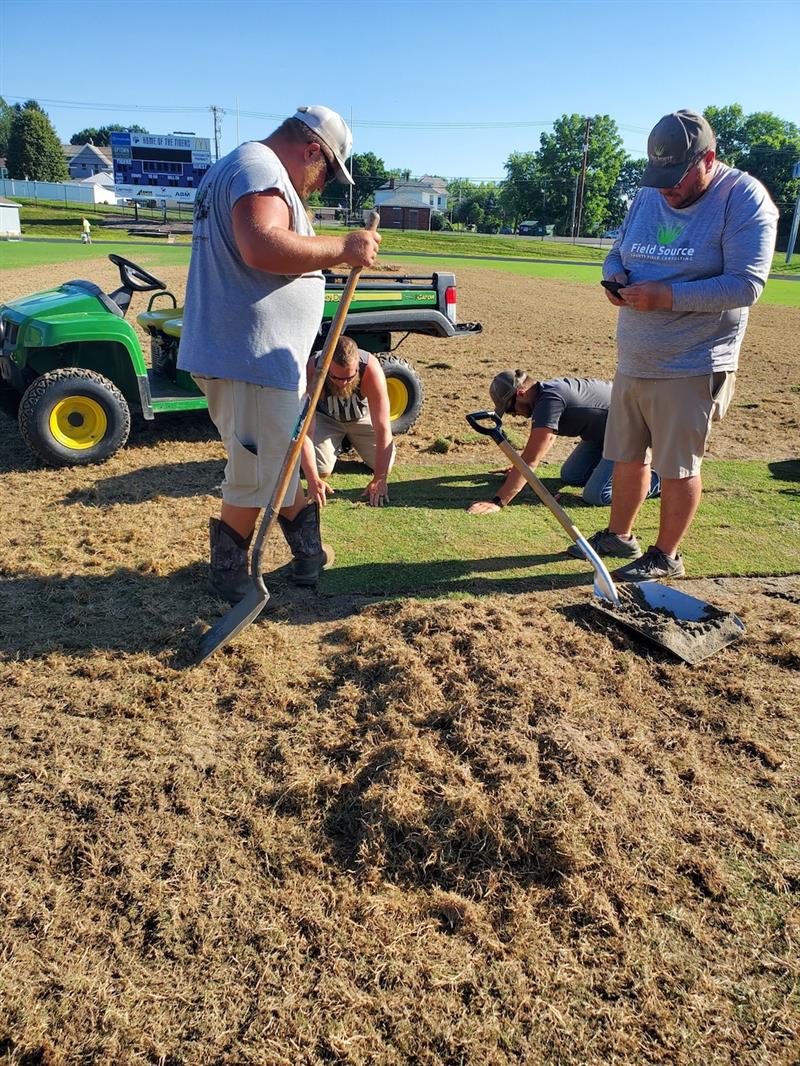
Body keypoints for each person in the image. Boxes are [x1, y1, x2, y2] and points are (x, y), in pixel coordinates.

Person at [177, 105, 382, 603]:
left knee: (281, 461)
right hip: (249, 358)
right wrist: (343, 248)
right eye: (327, 172)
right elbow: (261, 245)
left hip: (258, 359)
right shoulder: (259, 168)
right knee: (253, 471)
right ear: (313, 150)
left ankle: (307, 553)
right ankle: (229, 575)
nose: (322, 184)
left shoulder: (244, 167)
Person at [577, 109, 778, 580]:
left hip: (693, 361)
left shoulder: (744, 198)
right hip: (635, 355)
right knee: (625, 455)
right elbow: (617, 248)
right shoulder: (649, 194)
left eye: (677, 178)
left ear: (708, 158)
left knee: (677, 466)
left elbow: (746, 285)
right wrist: (615, 275)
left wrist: (666, 297)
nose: (667, 189)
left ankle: (666, 555)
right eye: (659, 177)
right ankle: (619, 536)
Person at [467, 370, 660, 514]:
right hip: (604, 435)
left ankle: (659, 481)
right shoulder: (545, 395)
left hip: (630, 432)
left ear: (520, 393)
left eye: (510, 409)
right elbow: (541, 446)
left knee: (597, 495)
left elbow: (531, 459)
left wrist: (499, 501)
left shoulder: (549, 401)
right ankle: (614, 472)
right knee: (571, 476)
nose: (515, 415)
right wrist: (518, 468)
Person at [302, 335, 396, 508]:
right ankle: (334, 447)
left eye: (349, 378)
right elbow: (305, 430)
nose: (343, 383)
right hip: (326, 419)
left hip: (361, 418)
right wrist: (313, 479)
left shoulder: (371, 369)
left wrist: (379, 478)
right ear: (327, 366)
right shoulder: (313, 369)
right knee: (321, 469)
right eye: (336, 378)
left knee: (385, 466)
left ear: (357, 369)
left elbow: (383, 429)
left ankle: (349, 442)